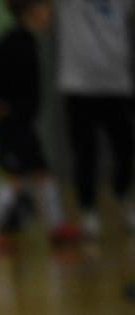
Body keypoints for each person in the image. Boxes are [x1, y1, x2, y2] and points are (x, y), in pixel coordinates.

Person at [0, 0, 77, 250]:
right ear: (33, 11)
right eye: (45, 9)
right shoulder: (12, 43)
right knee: (13, 180)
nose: (49, 14)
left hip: (23, 123)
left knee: (41, 174)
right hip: (11, 125)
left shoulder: (26, 41)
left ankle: (56, 227)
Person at [56, 0, 135, 238]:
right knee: (84, 153)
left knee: (126, 148)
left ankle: (123, 195)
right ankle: (88, 211)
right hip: (78, 87)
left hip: (117, 85)